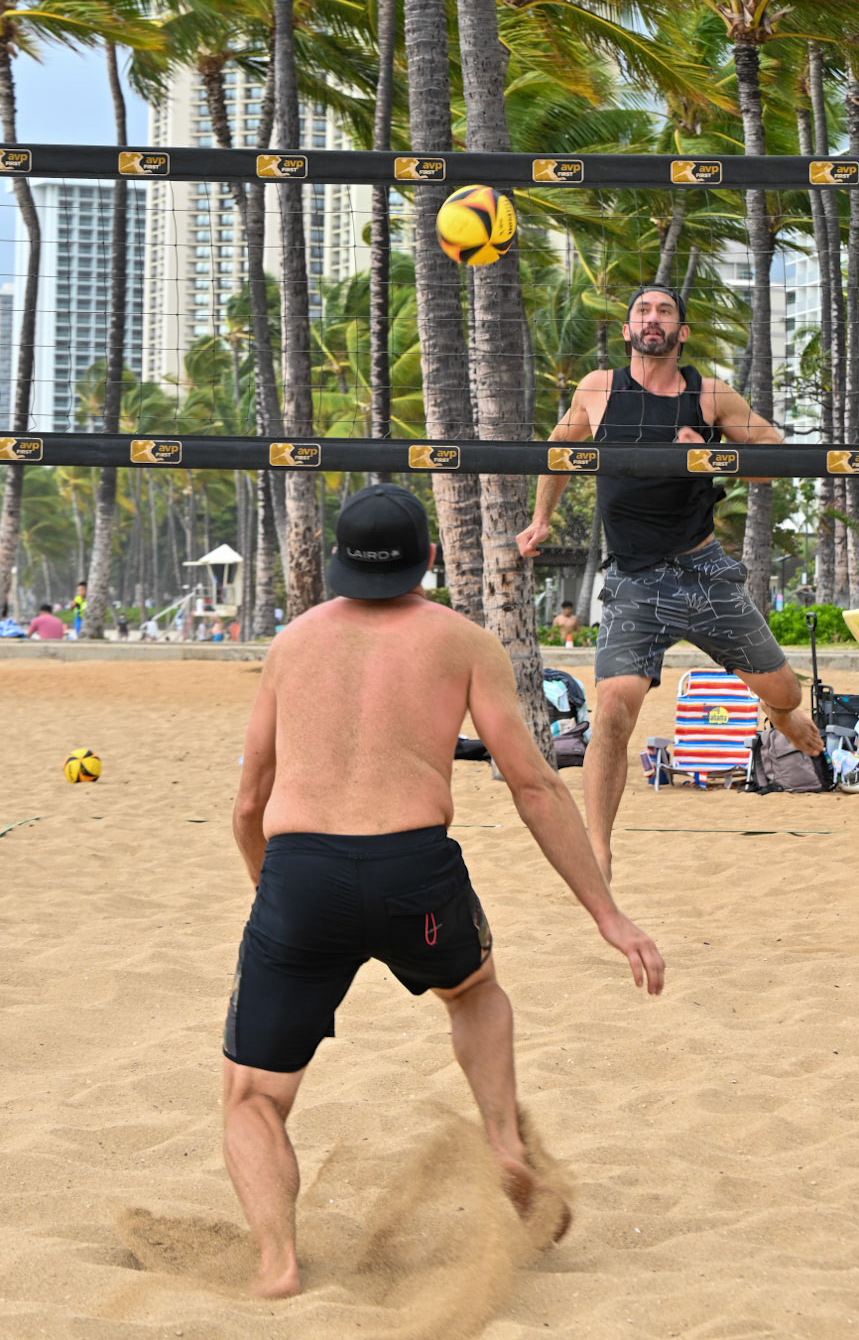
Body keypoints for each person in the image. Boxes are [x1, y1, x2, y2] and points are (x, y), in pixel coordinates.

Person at [224, 483, 663, 1299]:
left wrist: (268, 890)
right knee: (472, 991)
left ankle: (277, 1263)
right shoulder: (463, 642)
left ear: (337, 561)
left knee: (253, 1097)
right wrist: (608, 914)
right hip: (414, 870)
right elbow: (532, 784)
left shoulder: (292, 643)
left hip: (301, 877)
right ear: (427, 558)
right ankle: (502, 1140)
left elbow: (250, 801)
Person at [516, 284, 823, 879]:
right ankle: (598, 849)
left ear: (681, 333)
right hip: (634, 581)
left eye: (664, 312)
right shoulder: (598, 389)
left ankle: (779, 712)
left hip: (704, 572)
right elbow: (559, 448)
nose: (652, 319)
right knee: (612, 709)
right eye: (642, 311)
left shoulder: (709, 395)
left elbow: (776, 456)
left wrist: (711, 455)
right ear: (627, 330)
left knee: (788, 694)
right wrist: (541, 518)